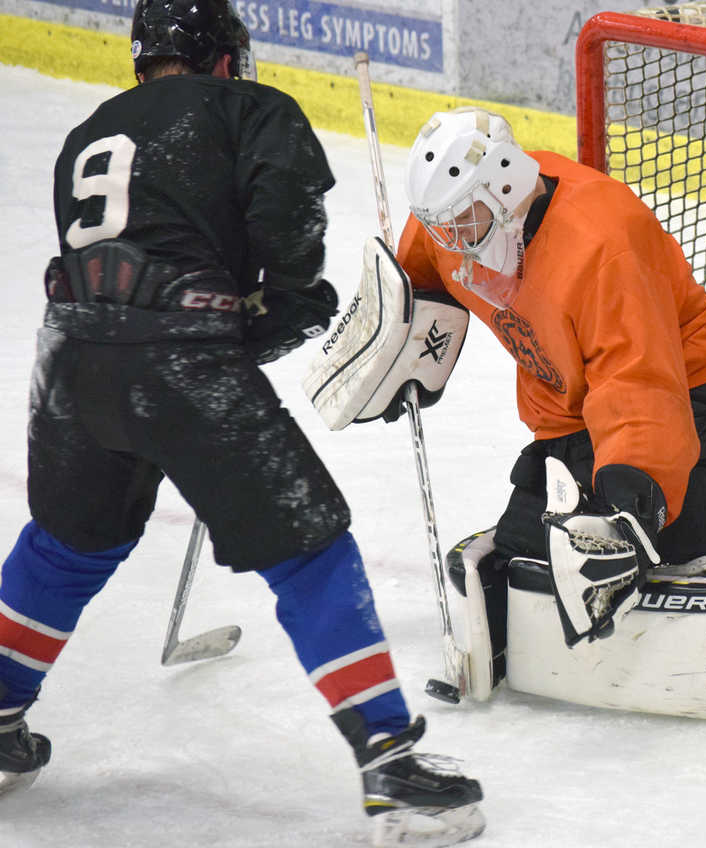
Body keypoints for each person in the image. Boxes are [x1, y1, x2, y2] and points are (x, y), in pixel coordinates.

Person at [0, 3, 485, 844]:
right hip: (182, 359)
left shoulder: (88, 130)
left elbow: (118, 253)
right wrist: (289, 305)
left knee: (68, 541)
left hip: (71, 362)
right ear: (224, 58)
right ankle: (392, 771)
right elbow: (286, 226)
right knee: (310, 542)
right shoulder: (250, 109)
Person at [397, 107, 706, 649]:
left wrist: (634, 490)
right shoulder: (462, 223)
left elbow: (640, 380)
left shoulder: (605, 243)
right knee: (528, 549)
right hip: (588, 403)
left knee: (662, 548)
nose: (449, 241)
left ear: (505, 188)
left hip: (693, 397)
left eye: (459, 223)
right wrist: (395, 332)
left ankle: (700, 552)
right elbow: (421, 263)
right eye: (439, 225)